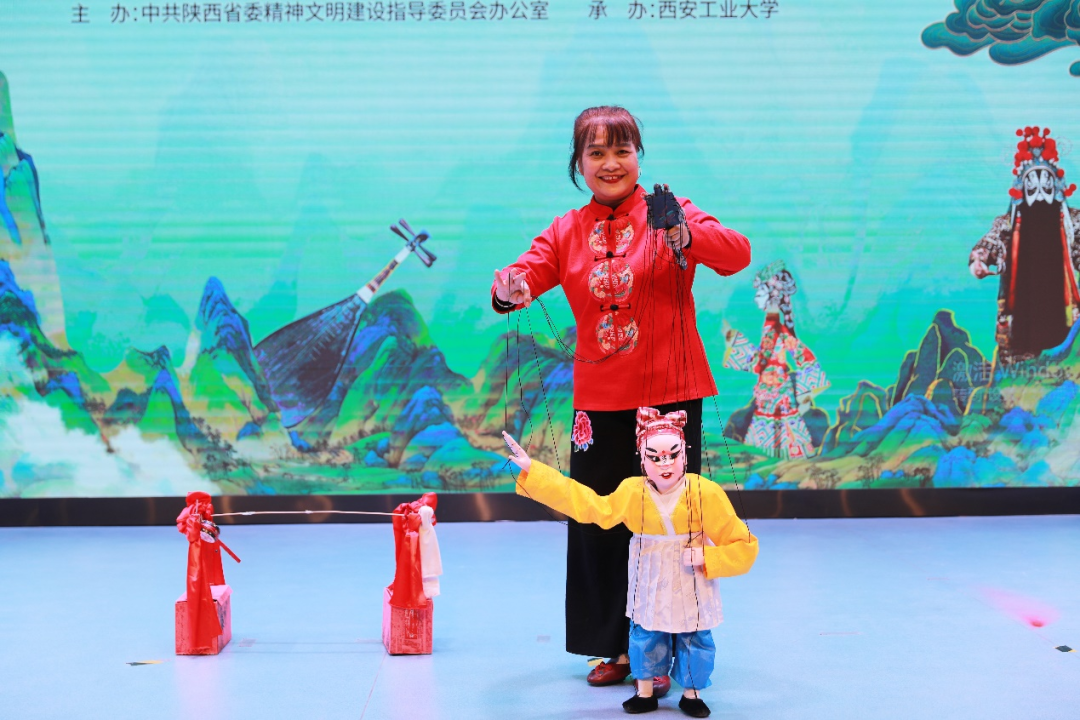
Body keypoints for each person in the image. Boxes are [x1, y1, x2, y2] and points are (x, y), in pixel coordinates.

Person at [491, 106, 751, 692]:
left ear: (638, 157)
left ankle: (673, 647)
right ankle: (614, 647)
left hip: (671, 399)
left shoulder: (670, 211)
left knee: (674, 527)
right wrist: (508, 287)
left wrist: (685, 234)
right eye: (596, 153)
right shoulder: (565, 230)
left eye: (622, 150)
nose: (610, 163)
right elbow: (521, 277)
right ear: (578, 164)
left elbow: (737, 253)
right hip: (599, 406)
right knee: (598, 523)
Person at [503, 408, 758, 717]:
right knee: (645, 633)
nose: (665, 464)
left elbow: (743, 543)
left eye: (672, 455)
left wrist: (709, 557)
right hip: (650, 572)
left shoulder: (706, 492)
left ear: (685, 455)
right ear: (642, 460)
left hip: (691, 574)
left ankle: (692, 694)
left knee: (695, 635)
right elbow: (592, 507)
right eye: (655, 457)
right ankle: (645, 690)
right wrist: (535, 472)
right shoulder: (631, 491)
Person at [969, 126, 1080, 363]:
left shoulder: (1071, 222)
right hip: (1022, 318)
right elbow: (992, 241)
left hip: (1063, 313)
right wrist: (979, 259)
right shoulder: (1009, 224)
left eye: (1046, 183)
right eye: (1032, 183)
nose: (1039, 190)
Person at [723, 260, 828, 459]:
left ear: (772, 294)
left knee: (772, 431)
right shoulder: (773, 324)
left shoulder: (774, 325)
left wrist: (735, 340)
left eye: (762, 290)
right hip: (774, 387)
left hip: (775, 388)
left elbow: (761, 361)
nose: (757, 295)